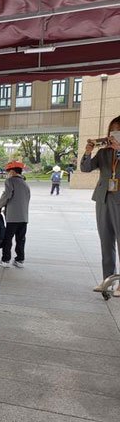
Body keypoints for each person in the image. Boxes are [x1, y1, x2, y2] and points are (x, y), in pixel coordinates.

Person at [80, 115, 120, 294]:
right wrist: (88, 152)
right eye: (112, 130)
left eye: (118, 131)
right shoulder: (104, 152)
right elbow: (86, 168)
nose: (114, 134)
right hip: (103, 198)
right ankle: (108, 280)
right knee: (106, 240)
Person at [0, 161, 31, 268]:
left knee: (8, 238)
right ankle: (20, 260)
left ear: (12, 171)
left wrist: (0, 206)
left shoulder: (10, 181)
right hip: (24, 217)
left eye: (8, 171)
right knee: (21, 239)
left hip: (12, 217)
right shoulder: (25, 183)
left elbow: (7, 194)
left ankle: (5, 260)